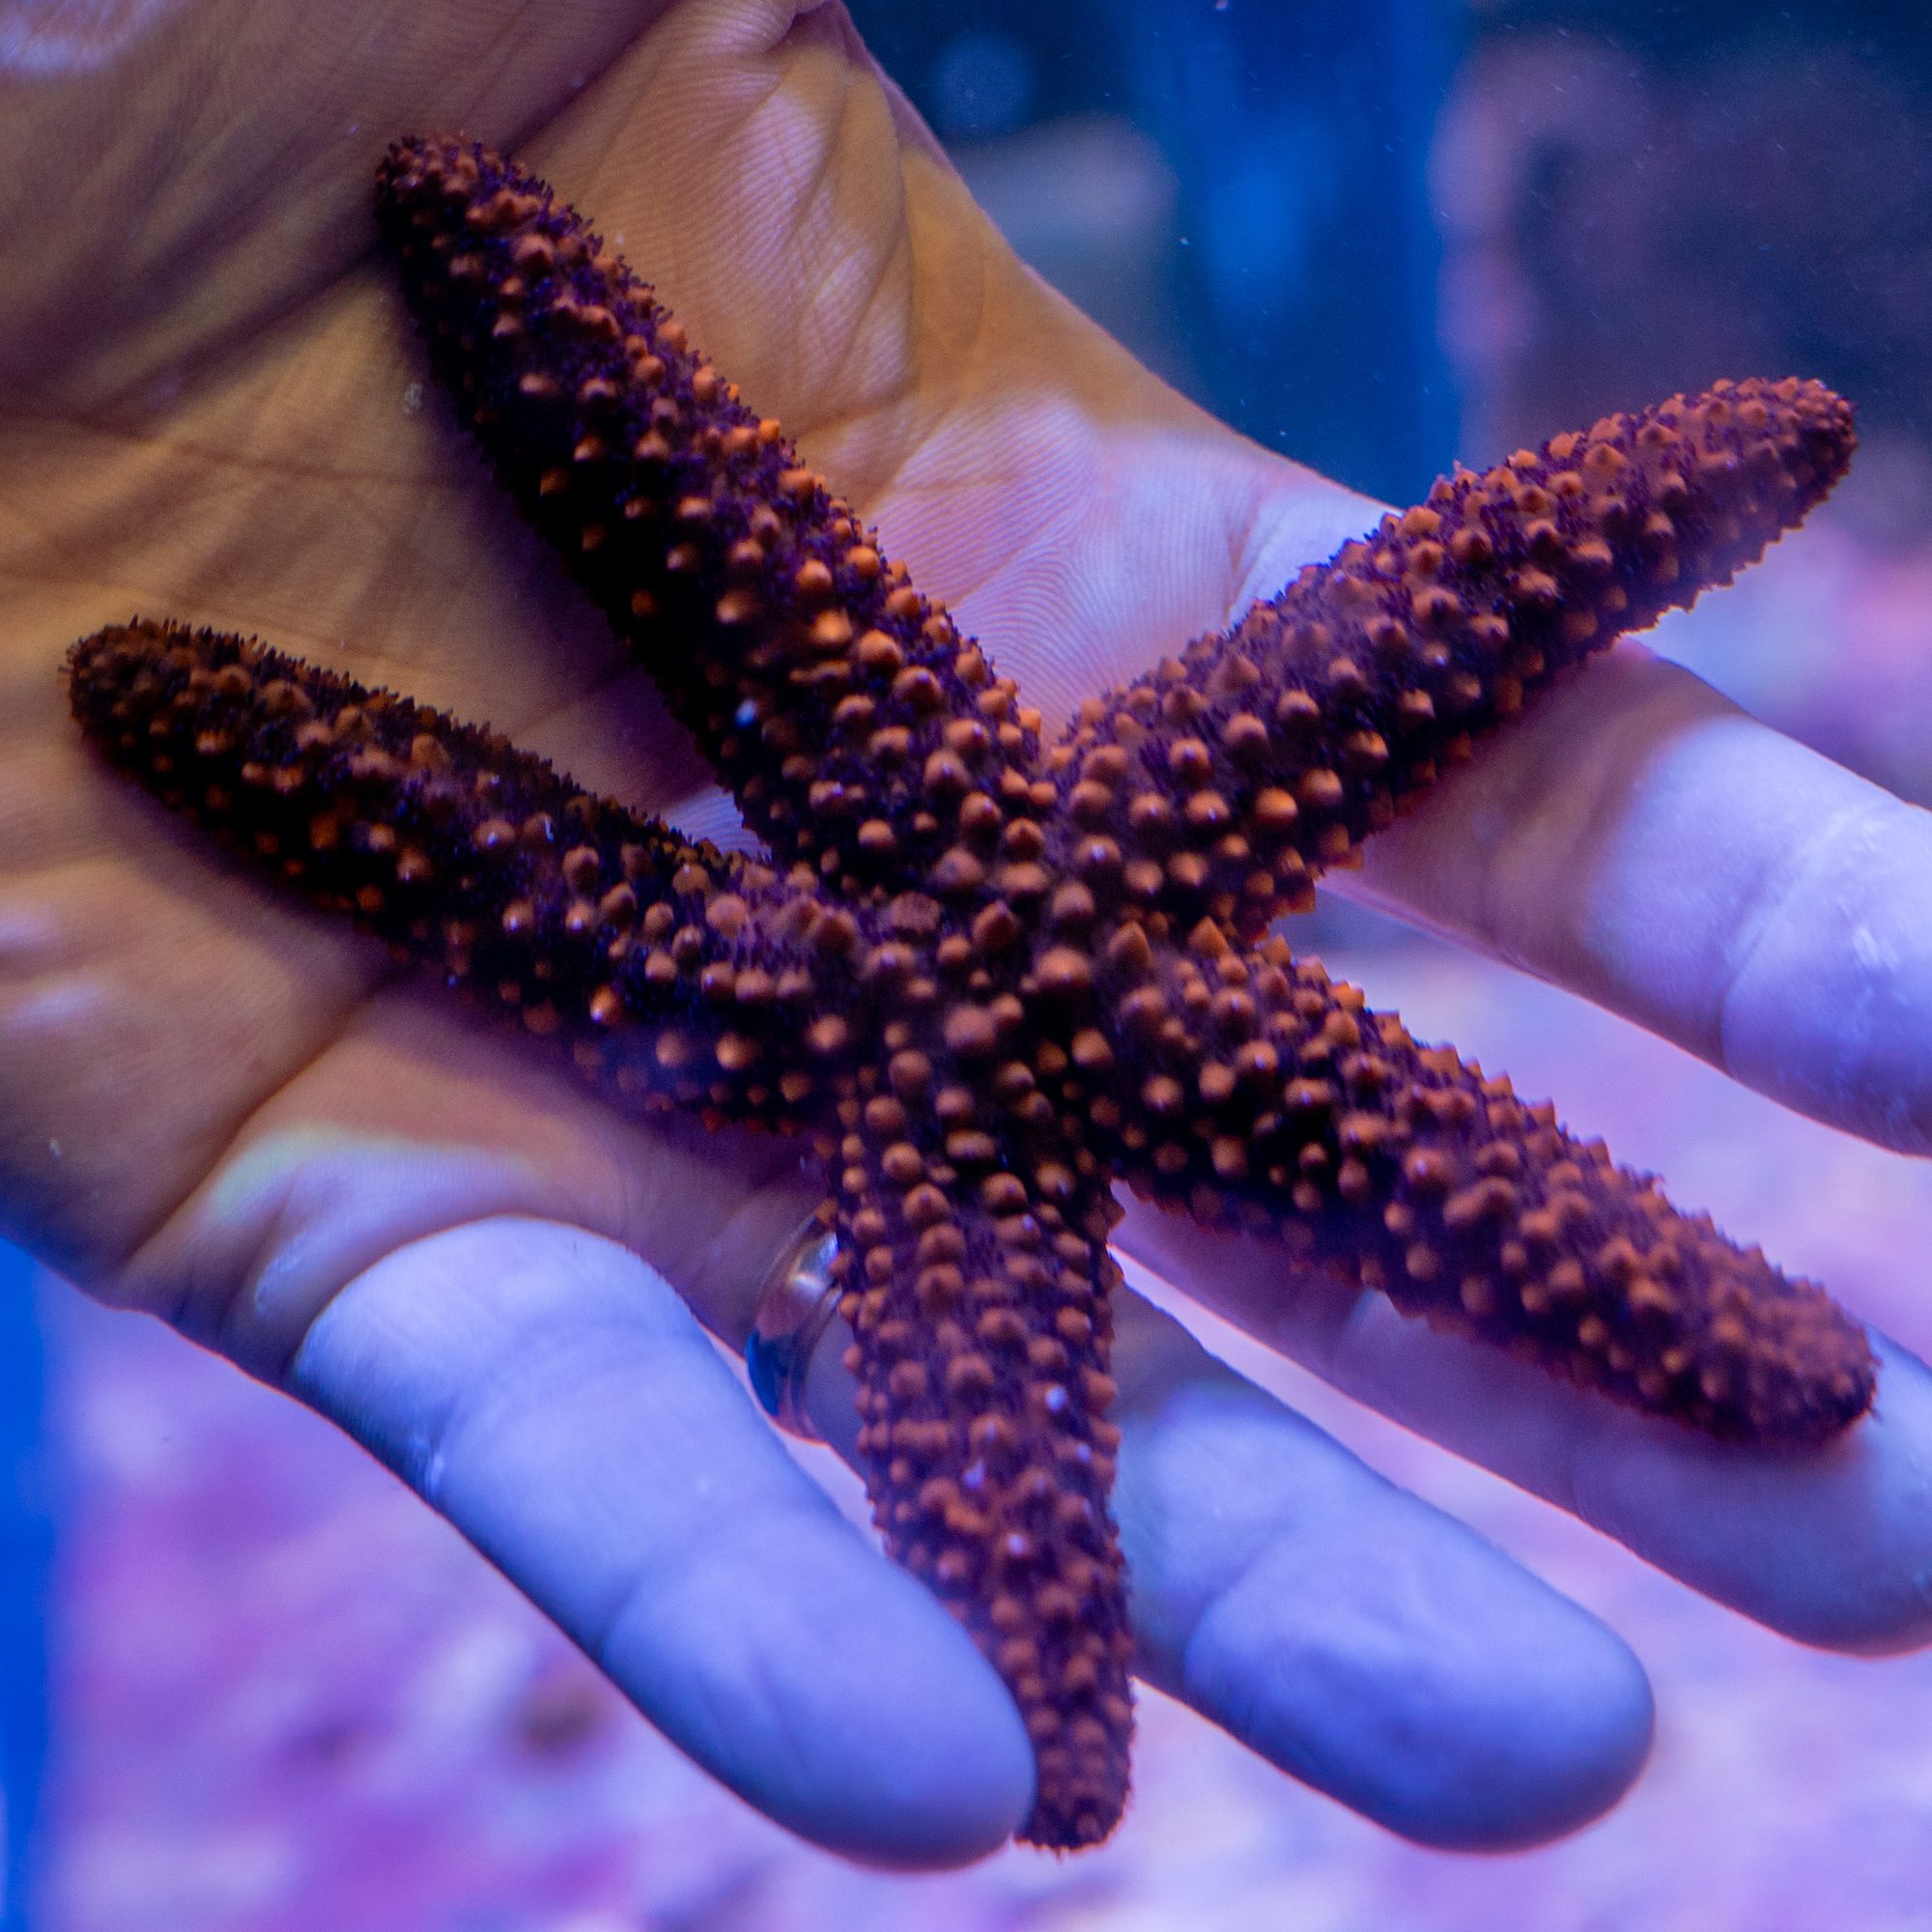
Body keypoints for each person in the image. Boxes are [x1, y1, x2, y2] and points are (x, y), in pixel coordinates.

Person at [5, 0, 1932, 1871]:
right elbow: (491, 786)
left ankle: (1752, 1372)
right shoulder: (1079, 854)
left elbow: (1459, 591)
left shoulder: (893, 917)